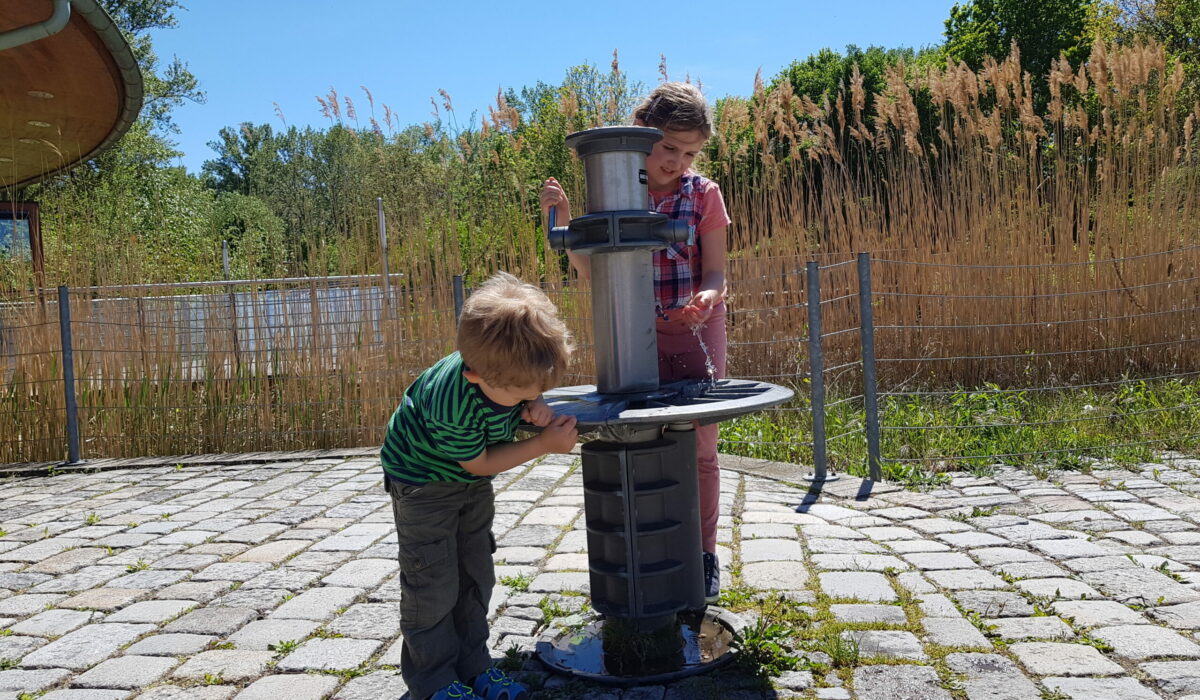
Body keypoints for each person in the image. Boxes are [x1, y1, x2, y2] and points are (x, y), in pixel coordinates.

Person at [540, 81, 732, 603]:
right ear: (642, 135)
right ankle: (644, 550)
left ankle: (705, 554)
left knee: (700, 445)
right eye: (669, 147)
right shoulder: (618, 193)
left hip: (696, 328)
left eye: (689, 152)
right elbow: (593, 272)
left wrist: (707, 298)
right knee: (636, 434)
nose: (677, 161)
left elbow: (715, 274)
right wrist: (558, 222)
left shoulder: (704, 194)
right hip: (633, 328)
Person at [381, 271, 578, 700]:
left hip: (467, 483)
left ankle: (473, 666)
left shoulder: (504, 371)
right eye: (526, 392)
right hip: (423, 484)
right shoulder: (451, 402)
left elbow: (521, 391)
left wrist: (535, 401)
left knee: (474, 575)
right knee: (432, 583)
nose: (535, 397)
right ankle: (433, 681)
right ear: (477, 377)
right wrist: (543, 443)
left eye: (541, 389)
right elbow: (480, 463)